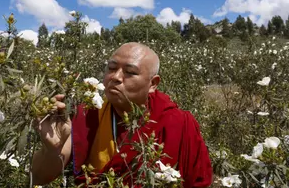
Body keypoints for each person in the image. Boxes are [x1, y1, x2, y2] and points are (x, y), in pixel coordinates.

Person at [32, 42, 213, 187]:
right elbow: (38, 177)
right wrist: (51, 148)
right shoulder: (87, 115)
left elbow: (198, 182)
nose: (116, 77)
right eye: (111, 68)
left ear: (153, 84)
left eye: (130, 72)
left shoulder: (179, 122)